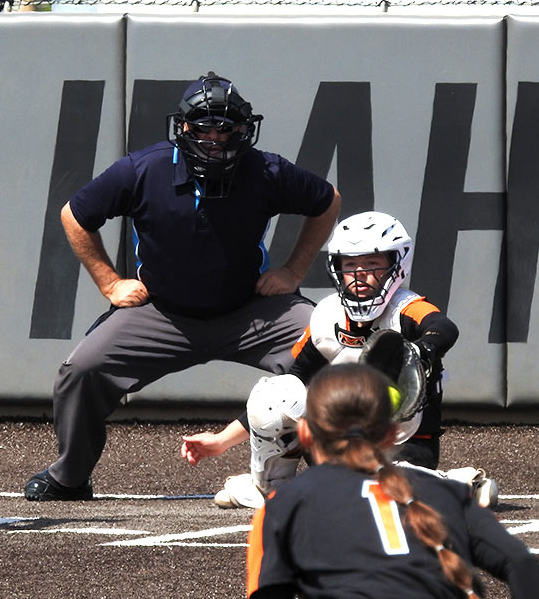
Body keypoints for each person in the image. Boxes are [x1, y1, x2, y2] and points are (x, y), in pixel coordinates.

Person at [24, 71, 341, 501]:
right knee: (82, 371)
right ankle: (70, 475)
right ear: (184, 127)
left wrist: (293, 271)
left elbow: (327, 202)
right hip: (164, 312)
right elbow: (74, 215)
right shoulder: (143, 168)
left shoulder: (266, 170)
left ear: (244, 130)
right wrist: (110, 282)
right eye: (204, 126)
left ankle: (333, 474)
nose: (215, 137)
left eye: (226, 127)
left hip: (249, 309)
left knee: (328, 349)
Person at [182, 211, 498, 509]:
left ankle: (457, 485)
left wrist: (421, 350)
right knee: (274, 393)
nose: (359, 275)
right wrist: (221, 441)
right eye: (350, 265)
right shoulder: (328, 315)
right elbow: (288, 386)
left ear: (396, 266)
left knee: (380, 494)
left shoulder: (405, 308)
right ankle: (270, 487)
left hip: (403, 444)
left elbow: (443, 327)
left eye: (372, 264)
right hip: (342, 445)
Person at [246, 363, 539, 599]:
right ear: (392, 433)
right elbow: (521, 563)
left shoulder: (282, 506)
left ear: (305, 433)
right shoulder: (447, 492)